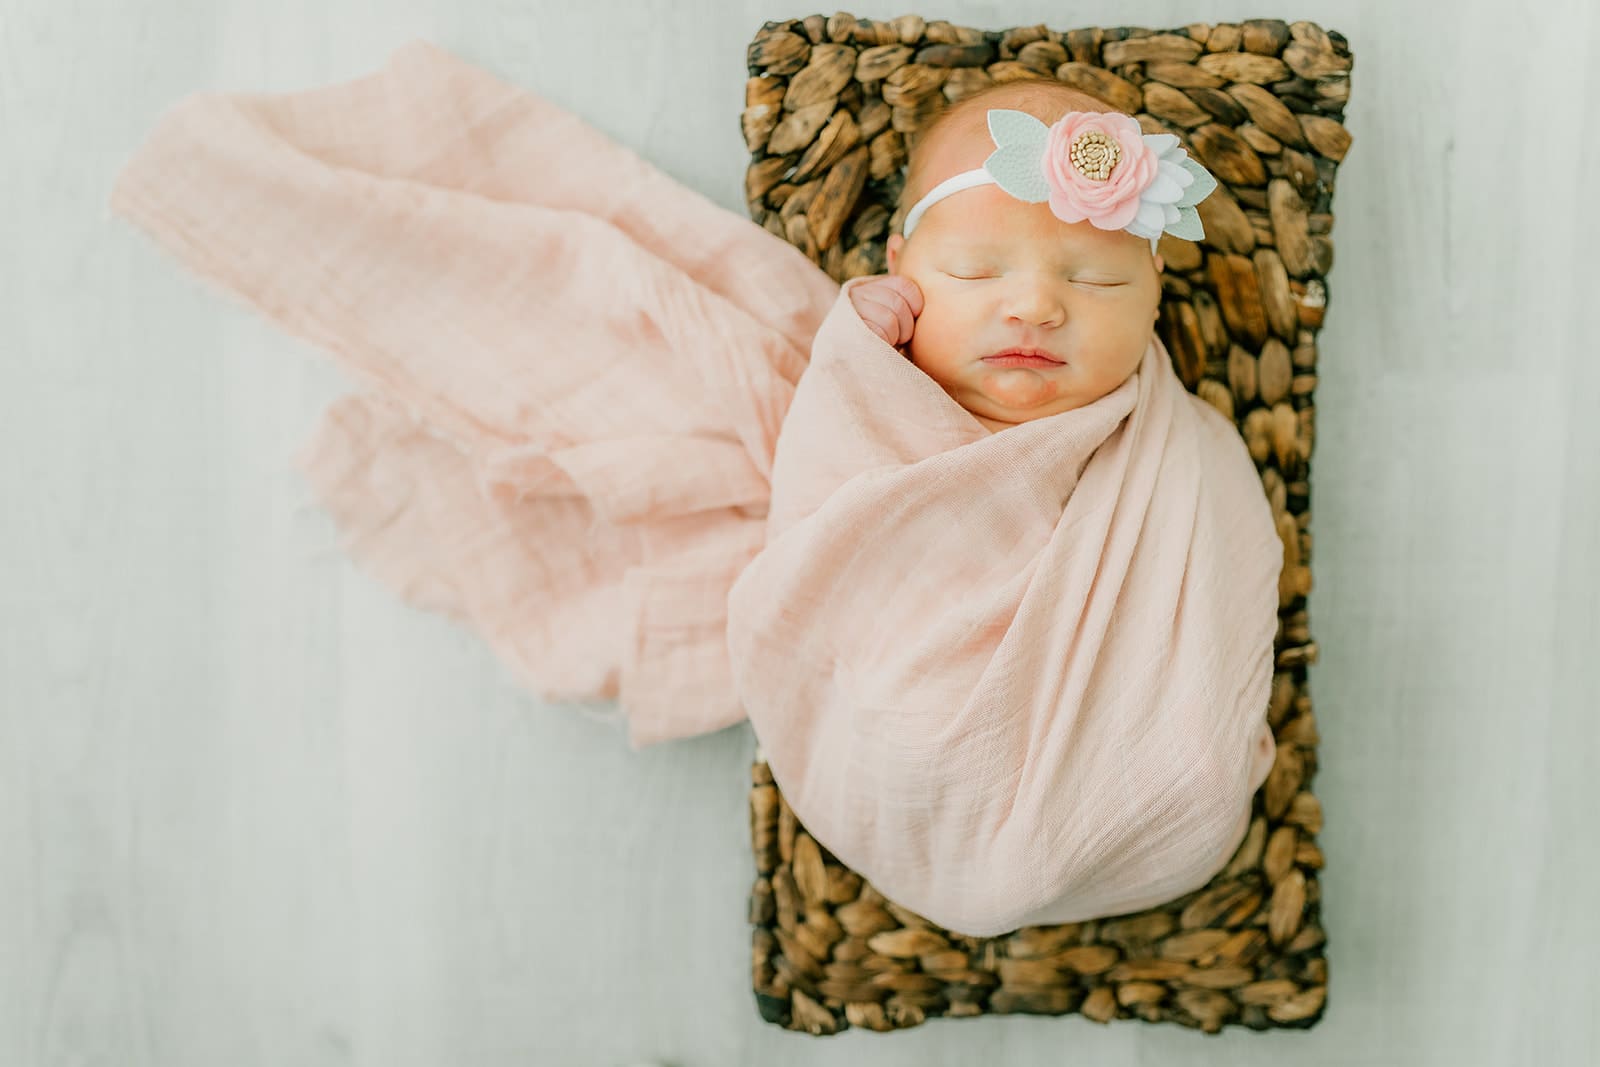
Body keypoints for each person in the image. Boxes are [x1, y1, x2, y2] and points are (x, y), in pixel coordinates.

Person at [849, 80, 1209, 435]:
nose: (1035, 308)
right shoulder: (861, 384)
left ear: (1154, 294)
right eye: (974, 272)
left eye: (1096, 279)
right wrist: (854, 346)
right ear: (896, 266)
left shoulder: (1189, 445)